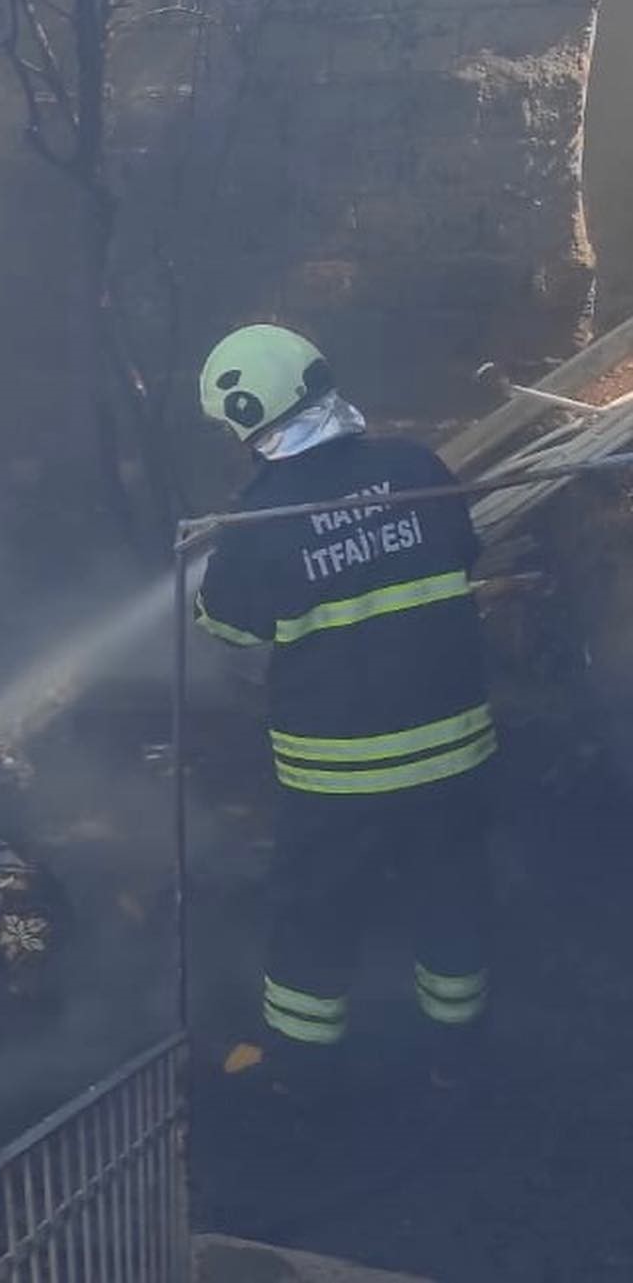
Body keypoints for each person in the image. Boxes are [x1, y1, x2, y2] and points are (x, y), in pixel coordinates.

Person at [194, 324, 495, 1095]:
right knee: (450, 893)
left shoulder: (256, 523)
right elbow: (463, 552)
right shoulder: (415, 467)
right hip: (455, 752)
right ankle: (455, 1057)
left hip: (335, 774)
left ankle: (300, 1076)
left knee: (315, 917)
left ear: (242, 421)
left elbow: (228, 626)